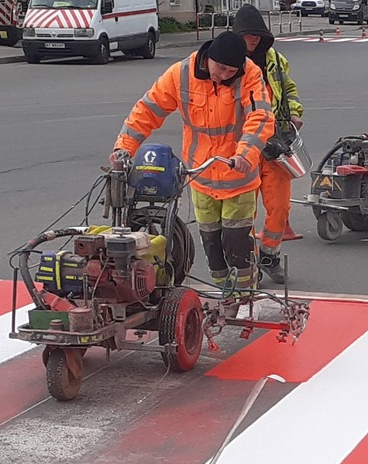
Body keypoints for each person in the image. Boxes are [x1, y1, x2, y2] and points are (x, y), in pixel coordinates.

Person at [112, 29, 274, 291]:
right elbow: (148, 110)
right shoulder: (181, 74)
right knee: (212, 246)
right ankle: (224, 294)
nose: (224, 75)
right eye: (220, 68)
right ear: (208, 58)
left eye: (231, 71)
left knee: (237, 244)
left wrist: (245, 153)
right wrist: (124, 148)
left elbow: (261, 116)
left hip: (238, 177)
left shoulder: (249, 74)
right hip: (200, 176)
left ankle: (244, 296)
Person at [231, 4, 305, 279]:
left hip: (275, 144)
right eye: (249, 35)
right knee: (244, 210)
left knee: (280, 206)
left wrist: (294, 112)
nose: (254, 39)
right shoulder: (230, 61)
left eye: (257, 35)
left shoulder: (274, 59)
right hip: (244, 146)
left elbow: (288, 89)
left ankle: (269, 255)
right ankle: (249, 260)